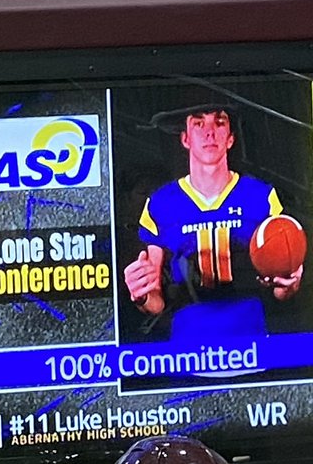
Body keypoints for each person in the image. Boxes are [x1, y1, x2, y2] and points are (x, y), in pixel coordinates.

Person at [123, 105, 303, 339]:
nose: (210, 132)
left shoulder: (261, 196)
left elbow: (280, 291)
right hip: (189, 351)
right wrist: (142, 295)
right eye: (199, 123)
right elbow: (156, 302)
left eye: (219, 123)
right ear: (185, 139)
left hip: (251, 346)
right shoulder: (160, 203)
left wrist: (289, 284)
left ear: (230, 139)